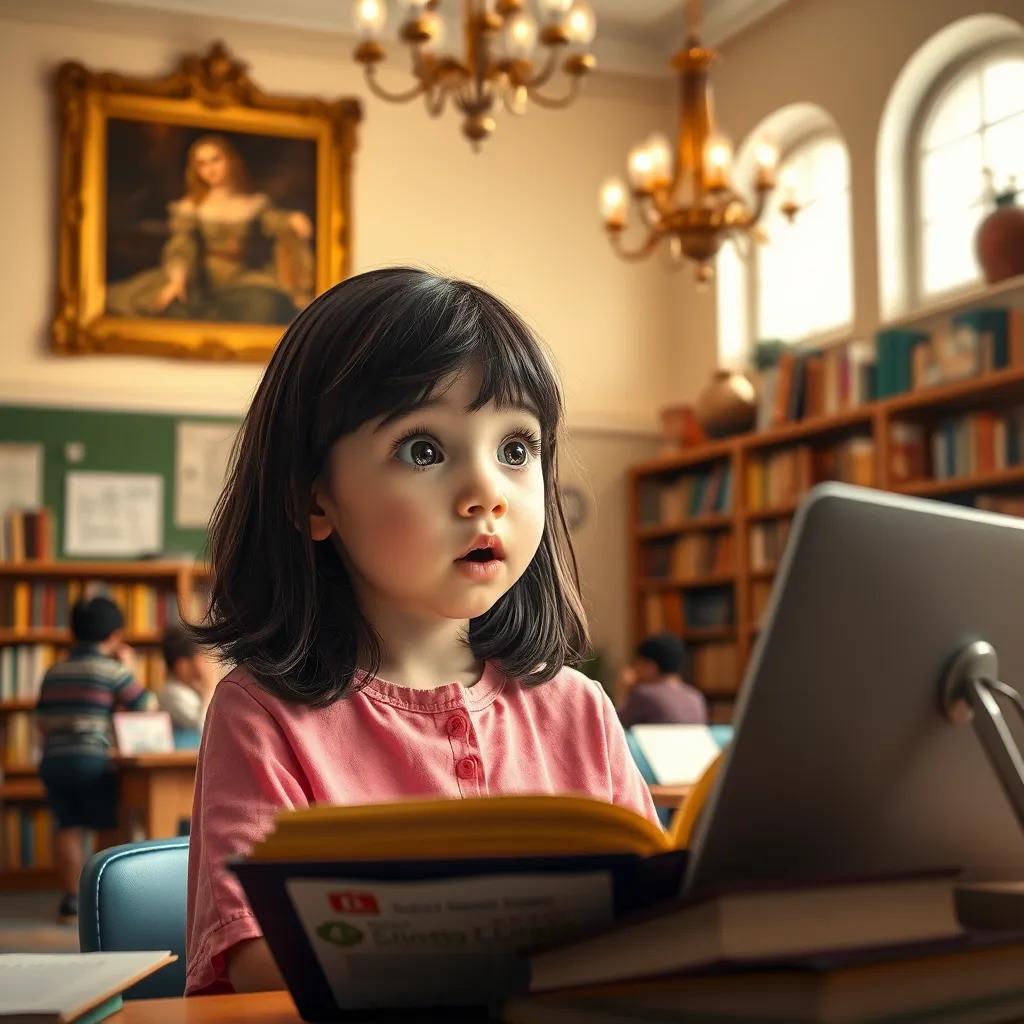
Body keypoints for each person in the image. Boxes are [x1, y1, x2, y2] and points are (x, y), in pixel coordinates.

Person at [184, 268, 661, 996]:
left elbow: (656, 926)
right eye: (424, 451)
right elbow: (256, 961)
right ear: (315, 499)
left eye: (516, 448)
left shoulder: (580, 710)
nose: (487, 494)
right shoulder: (260, 714)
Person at [106, 133, 314, 325]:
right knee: (171, 303)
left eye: (216, 160)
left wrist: (292, 219)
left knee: (268, 304)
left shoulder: (254, 203)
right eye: (202, 164)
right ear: (196, 170)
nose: (210, 169)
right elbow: (182, 246)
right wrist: (178, 279)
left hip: (240, 279)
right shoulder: (190, 207)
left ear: (230, 160)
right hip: (198, 277)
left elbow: (273, 220)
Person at [35, 596, 156, 923]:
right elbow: (144, 706)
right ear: (114, 635)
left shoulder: (54, 671)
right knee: (106, 825)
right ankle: (100, 898)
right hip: (92, 759)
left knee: (68, 826)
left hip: (54, 760)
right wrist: (129, 667)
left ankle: (72, 901)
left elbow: (41, 721)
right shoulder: (112, 670)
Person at [616, 633, 708, 728]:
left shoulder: (644, 694)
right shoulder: (696, 696)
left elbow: (616, 725)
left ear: (651, 666)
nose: (634, 668)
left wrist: (623, 689)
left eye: (638, 663)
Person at [157, 625, 217, 738]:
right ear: (182, 666)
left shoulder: (190, 690)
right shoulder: (172, 694)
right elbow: (205, 728)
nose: (206, 665)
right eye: (201, 657)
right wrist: (209, 688)